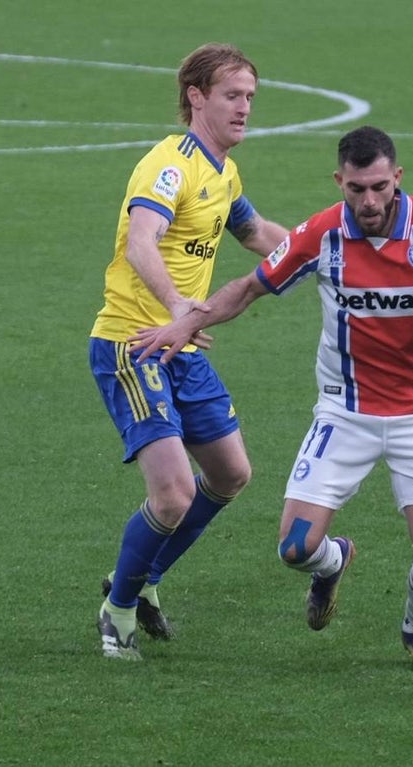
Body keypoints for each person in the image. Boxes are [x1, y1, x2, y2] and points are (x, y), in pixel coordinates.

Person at [130, 125, 413, 671]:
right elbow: (248, 288)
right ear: (340, 180)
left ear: (397, 179)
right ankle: (332, 563)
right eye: (356, 188)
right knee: (293, 548)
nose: (369, 201)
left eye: (380, 187)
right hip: (345, 414)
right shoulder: (322, 234)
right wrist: (185, 322)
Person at [89, 43, 289, 660]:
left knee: (231, 474)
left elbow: (257, 234)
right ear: (196, 97)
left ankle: (145, 581)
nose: (245, 108)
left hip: (181, 347)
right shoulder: (169, 166)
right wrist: (179, 304)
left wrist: (330, 248)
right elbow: (141, 243)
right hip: (133, 341)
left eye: (251, 97)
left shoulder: (223, 172)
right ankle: (117, 608)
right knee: (173, 493)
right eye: (233, 95)